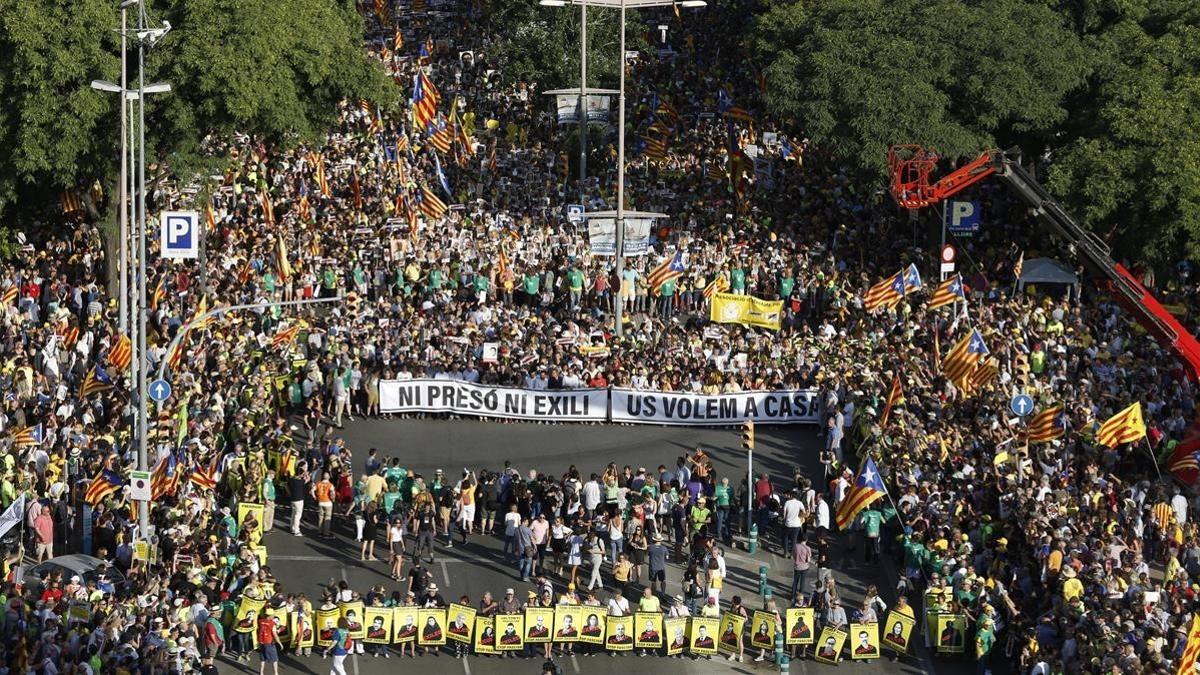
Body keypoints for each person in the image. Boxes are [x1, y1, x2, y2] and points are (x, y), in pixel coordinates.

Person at [256, 609, 281, 675]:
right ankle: (276, 673)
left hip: (261, 642)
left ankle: (261, 673)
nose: (273, 616)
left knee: (262, 659)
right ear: (270, 616)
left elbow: (258, 630)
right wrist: (280, 643)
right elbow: (275, 635)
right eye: (273, 615)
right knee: (275, 659)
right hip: (269, 643)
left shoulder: (260, 621)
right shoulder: (272, 624)